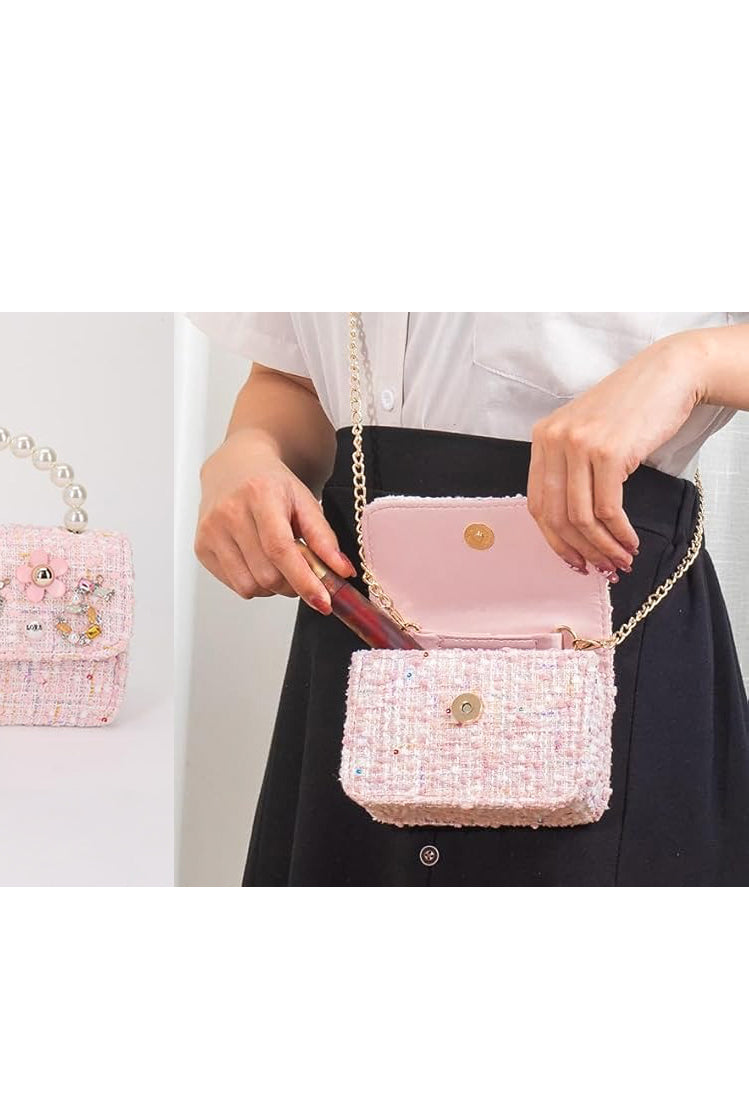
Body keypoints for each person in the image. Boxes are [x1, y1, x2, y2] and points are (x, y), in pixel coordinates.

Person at [192, 313, 749, 886]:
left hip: (615, 637)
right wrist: (249, 451)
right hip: (367, 640)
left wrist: (691, 363)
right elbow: (291, 378)